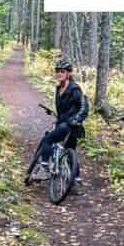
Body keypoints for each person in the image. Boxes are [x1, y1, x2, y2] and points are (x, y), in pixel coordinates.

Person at [38, 58, 89, 192]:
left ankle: (43, 168)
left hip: (70, 125)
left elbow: (84, 107)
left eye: (62, 72)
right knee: (70, 150)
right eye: (57, 72)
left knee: (47, 139)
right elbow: (63, 109)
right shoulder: (59, 88)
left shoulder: (74, 89)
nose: (59, 74)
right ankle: (75, 180)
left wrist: (74, 120)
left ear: (68, 74)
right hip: (66, 123)